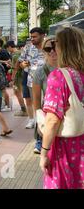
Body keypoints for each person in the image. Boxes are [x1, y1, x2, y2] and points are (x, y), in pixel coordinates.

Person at [39, 27, 84, 189]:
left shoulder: (59, 76)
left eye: (56, 43)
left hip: (64, 149)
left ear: (64, 47)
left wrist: (44, 152)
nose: (54, 48)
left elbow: (52, 120)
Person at [15, 28, 45, 129]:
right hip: (31, 78)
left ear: (42, 35)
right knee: (32, 100)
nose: (32, 39)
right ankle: (33, 120)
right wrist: (23, 64)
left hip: (47, 79)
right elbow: (21, 62)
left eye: (35, 36)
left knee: (44, 101)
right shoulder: (28, 48)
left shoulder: (49, 46)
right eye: (31, 37)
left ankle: (42, 121)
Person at [32, 37, 57, 154]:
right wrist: (39, 118)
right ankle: (39, 140)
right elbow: (36, 98)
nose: (52, 51)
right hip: (49, 115)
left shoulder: (71, 69)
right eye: (48, 48)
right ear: (44, 51)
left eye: (55, 47)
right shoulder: (40, 72)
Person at [6, 41, 28, 116]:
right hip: (23, 75)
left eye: (7, 48)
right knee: (21, 92)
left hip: (18, 77)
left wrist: (12, 79)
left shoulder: (15, 55)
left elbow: (16, 68)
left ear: (9, 47)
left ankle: (24, 110)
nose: (8, 50)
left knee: (17, 92)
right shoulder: (20, 52)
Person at [0, 38, 12, 111]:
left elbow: (9, 61)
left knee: (3, 89)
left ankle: (8, 106)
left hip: (1, 73)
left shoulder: (3, 51)